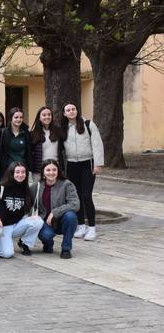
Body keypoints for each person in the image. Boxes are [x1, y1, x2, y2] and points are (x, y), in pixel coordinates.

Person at [63, 102, 104, 242]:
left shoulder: (88, 124)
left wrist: (98, 164)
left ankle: (91, 227)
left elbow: (97, 144)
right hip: (71, 165)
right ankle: (81, 225)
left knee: (86, 196)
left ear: (77, 110)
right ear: (64, 113)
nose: (71, 111)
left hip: (87, 164)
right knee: (77, 197)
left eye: (73, 109)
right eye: (68, 110)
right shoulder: (63, 128)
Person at [0, 162, 44, 258]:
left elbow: (28, 208)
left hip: (18, 224)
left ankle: (25, 243)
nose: (20, 175)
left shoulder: (25, 189)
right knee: (7, 254)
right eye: (17, 172)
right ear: (11, 173)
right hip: (3, 227)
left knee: (38, 221)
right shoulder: (1, 187)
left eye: (23, 172)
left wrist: (31, 216)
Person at [32, 159, 80, 259]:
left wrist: (55, 212)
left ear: (58, 171)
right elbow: (28, 205)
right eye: (48, 170)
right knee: (46, 235)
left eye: (54, 170)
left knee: (71, 216)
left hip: (62, 221)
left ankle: (66, 249)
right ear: (43, 172)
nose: (51, 172)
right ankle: (48, 243)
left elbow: (75, 204)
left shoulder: (67, 184)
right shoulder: (36, 186)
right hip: (45, 222)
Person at [29, 106, 64, 182]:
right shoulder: (33, 134)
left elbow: (62, 150)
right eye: (44, 115)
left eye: (49, 114)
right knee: (40, 192)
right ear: (39, 118)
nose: (47, 117)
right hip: (38, 169)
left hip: (55, 168)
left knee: (56, 192)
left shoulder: (58, 131)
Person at [0, 107, 31, 172]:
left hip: (22, 168)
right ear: (11, 118)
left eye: (21, 117)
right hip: (7, 169)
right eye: (16, 117)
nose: (19, 119)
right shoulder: (3, 132)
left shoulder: (26, 133)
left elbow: (28, 152)